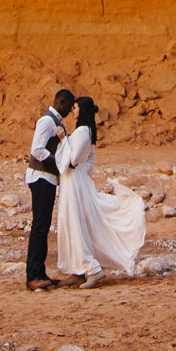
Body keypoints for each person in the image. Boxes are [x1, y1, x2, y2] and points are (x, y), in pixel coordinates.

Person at [49, 96, 146, 286]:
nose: (72, 111)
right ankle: (77, 269)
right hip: (75, 180)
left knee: (73, 222)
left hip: (74, 182)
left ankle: (92, 269)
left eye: (75, 107)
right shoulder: (85, 131)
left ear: (81, 111)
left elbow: (74, 159)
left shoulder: (83, 131)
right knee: (71, 222)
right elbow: (90, 159)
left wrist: (62, 140)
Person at [23, 88, 75, 291]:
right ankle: (33, 275)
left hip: (48, 178)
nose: (70, 111)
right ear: (61, 102)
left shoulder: (56, 121)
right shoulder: (47, 121)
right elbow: (36, 149)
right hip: (41, 177)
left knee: (43, 227)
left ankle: (40, 272)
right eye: (69, 107)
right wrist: (58, 163)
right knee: (39, 227)